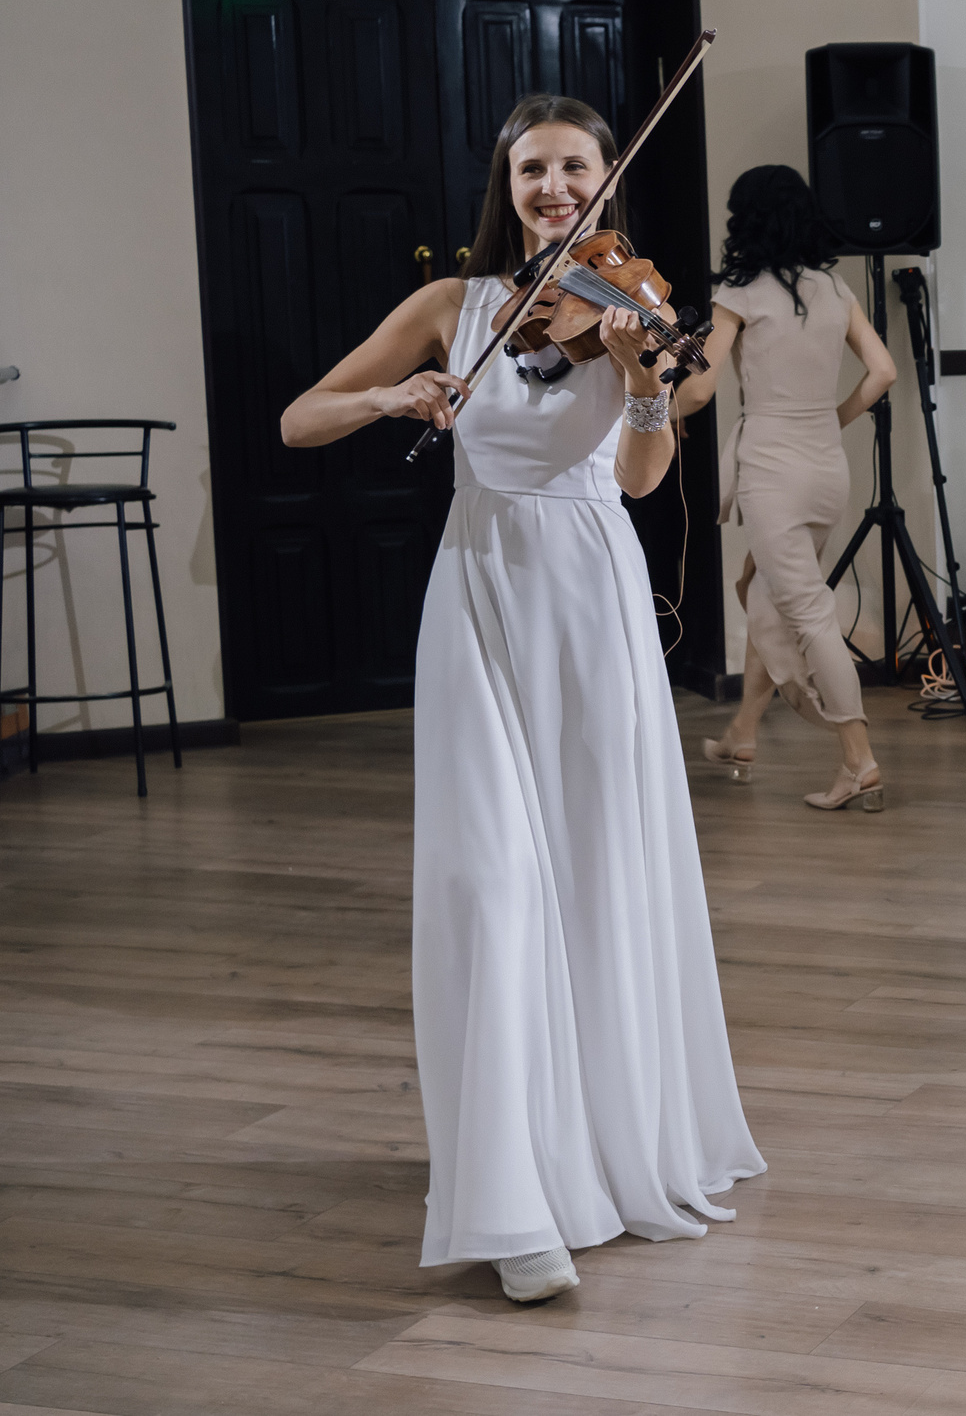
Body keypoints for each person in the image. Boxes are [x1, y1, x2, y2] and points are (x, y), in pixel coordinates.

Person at [280, 94, 763, 1303]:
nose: (556, 187)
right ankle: (509, 1203)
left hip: (593, 606)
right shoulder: (461, 307)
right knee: (489, 888)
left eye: (576, 168)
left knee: (602, 880)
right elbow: (300, 420)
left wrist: (645, 380)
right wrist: (395, 400)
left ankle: (607, 1152)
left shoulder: (631, 306)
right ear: (509, 181)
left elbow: (645, 477)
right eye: (535, 169)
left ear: (608, 182)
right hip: (483, 599)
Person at [674, 165, 897, 811]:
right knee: (765, 590)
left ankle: (858, 759)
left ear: (746, 222)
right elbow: (881, 371)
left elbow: (700, 387)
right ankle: (744, 732)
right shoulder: (833, 289)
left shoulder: (738, 294)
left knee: (807, 611)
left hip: (772, 474)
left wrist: (648, 401)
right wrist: (833, 419)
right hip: (827, 471)